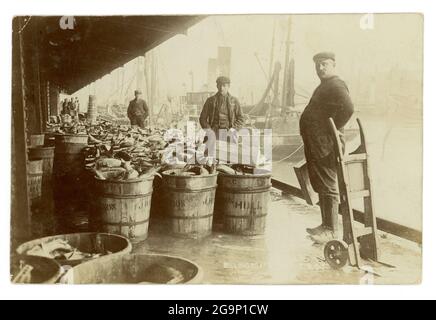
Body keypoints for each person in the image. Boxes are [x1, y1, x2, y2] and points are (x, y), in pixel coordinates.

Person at [299, 52, 354, 243]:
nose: (320, 68)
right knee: (322, 184)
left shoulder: (336, 84)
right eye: (317, 65)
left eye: (324, 64)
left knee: (328, 185)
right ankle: (325, 225)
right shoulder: (326, 86)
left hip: (326, 144)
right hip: (317, 144)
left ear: (333, 64)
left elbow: (348, 108)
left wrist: (332, 129)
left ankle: (331, 229)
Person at [199, 76, 244, 142]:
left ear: (228, 86)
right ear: (217, 86)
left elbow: (241, 119)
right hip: (214, 132)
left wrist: (234, 129)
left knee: (229, 151)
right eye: (219, 85)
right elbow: (202, 119)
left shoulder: (234, 101)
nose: (221, 88)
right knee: (210, 151)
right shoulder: (210, 101)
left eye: (224, 85)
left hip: (229, 133)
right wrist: (209, 130)